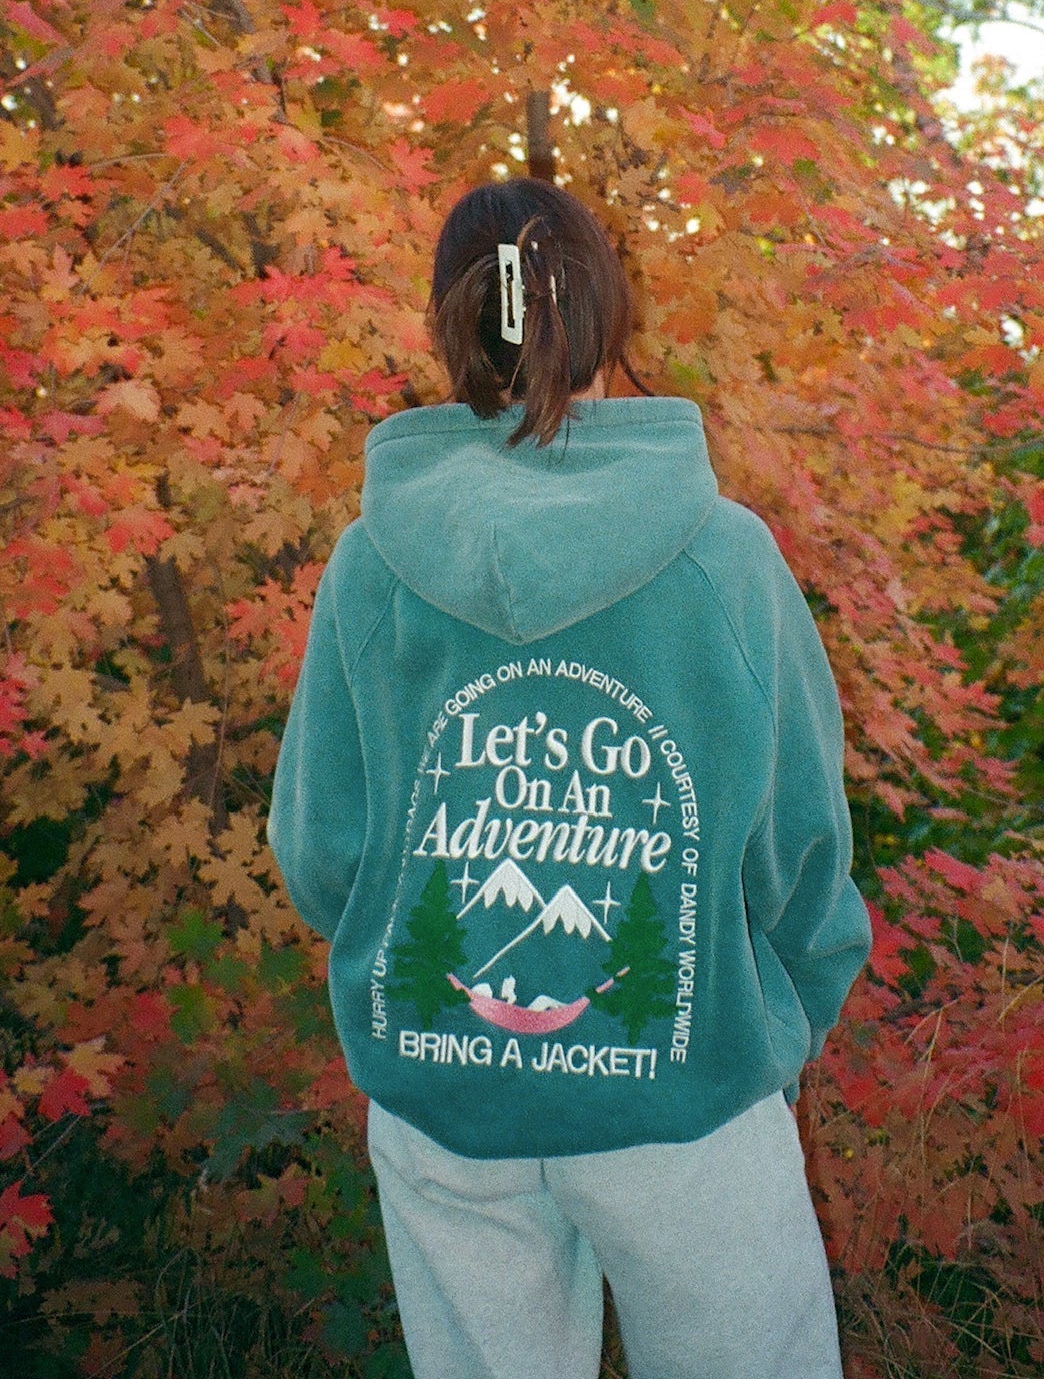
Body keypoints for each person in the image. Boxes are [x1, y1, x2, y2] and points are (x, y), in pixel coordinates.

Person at [267, 177, 873, 1379]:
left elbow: (320, 854)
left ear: (451, 327)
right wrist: (779, 1019)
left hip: (443, 1104)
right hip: (686, 1102)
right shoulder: (723, 558)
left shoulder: (372, 562)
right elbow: (802, 846)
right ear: (603, 314)